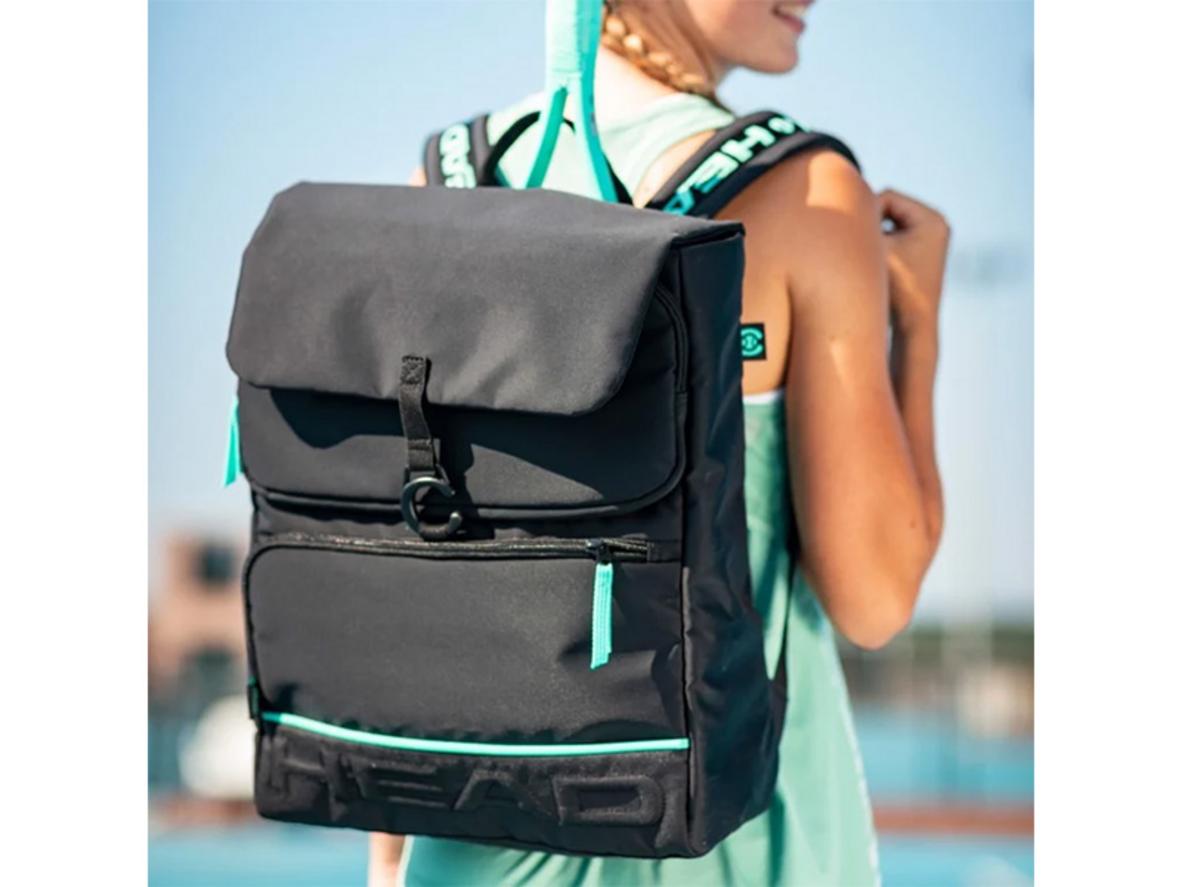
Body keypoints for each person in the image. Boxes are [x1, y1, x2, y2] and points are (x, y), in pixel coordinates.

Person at [374, 1, 948, 883]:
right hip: (729, 837)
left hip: (465, 841)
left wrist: (389, 856)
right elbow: (876, 597)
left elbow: (401, 563)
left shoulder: (445, 181)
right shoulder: (806, 193)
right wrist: (919, 328)